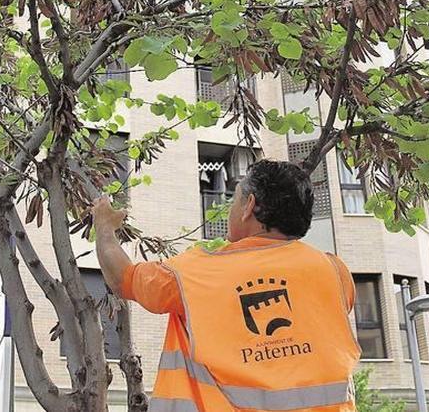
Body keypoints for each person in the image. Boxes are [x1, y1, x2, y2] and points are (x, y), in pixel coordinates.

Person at [94, 159, 361, 412]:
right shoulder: (335, 272)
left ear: (249, 206)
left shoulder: (194, 274)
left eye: (235, 198)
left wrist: (105, 227)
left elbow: (123, 278)